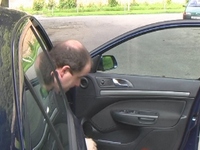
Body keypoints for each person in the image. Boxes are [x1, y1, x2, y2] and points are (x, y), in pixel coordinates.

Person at [35, 40, 97, 150]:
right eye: (78, 77)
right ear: (64, 71)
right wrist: (83, 145)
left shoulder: (53, 93)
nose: (78, 84)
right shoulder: (34, 106)